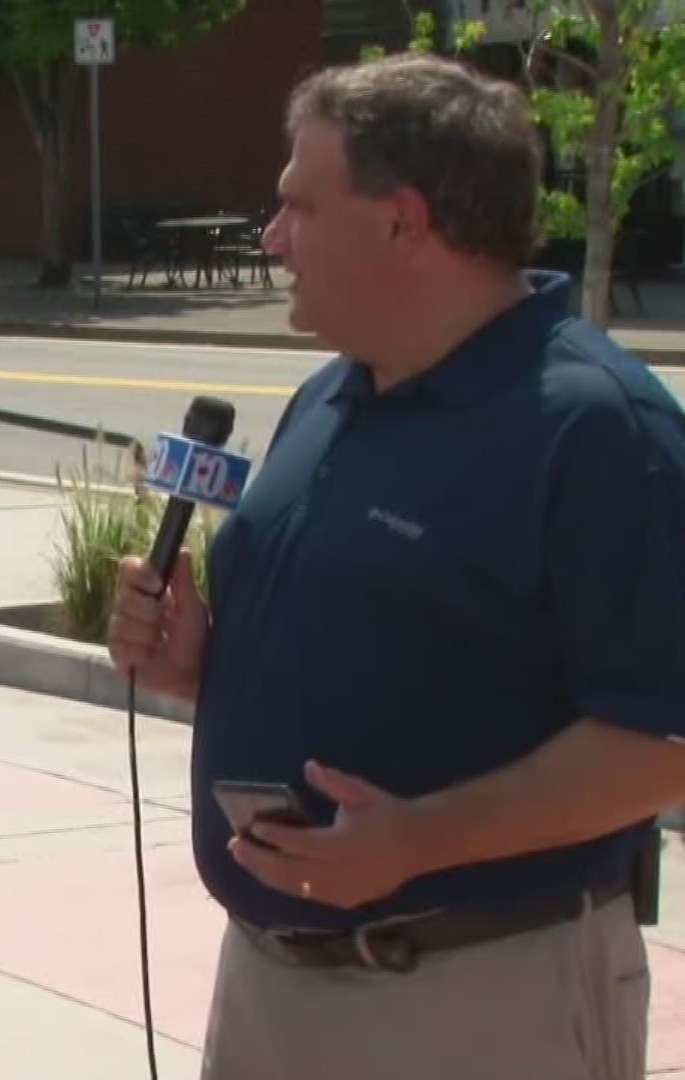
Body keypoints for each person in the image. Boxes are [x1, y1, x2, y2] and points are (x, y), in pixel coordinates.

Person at [108, 52, 685, 1079]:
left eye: (298, 207)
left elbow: (661, 743)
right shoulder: (326, 397)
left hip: (482, 995)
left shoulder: (599, 430)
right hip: (269, 986)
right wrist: (197, 664)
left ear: (401, 222)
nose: (272, 239)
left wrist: (417, 840)